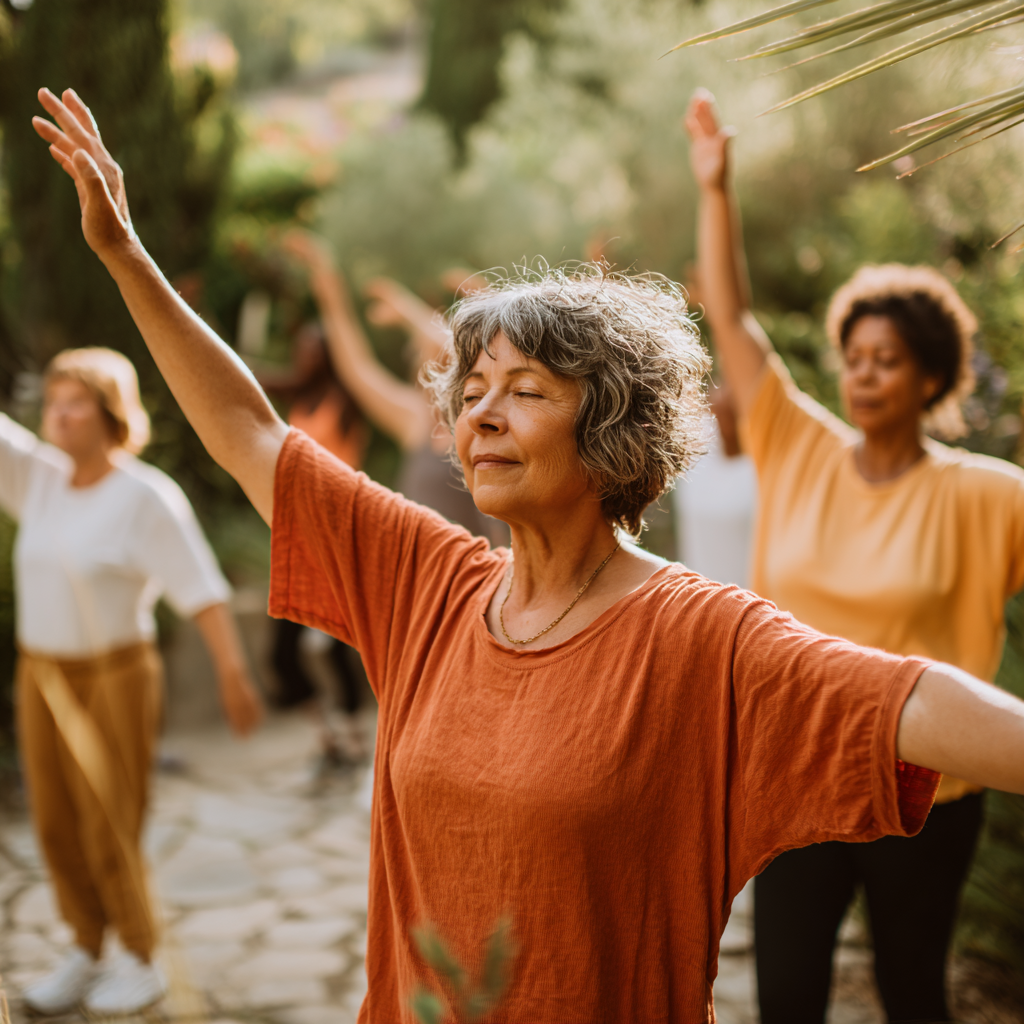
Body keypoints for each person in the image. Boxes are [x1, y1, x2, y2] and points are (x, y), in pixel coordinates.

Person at [32, 87, 1024, 1024]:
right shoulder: (422, 580)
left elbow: (908, 699)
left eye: (525, 391)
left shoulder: (700, 636)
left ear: (610, 426)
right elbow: (251, 433)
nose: (481, 417)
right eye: (472, 394)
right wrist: (125, 256)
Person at [687, 88, 1024, 1023]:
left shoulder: (990, 494)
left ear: (931, 375)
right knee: (786, 998)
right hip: (795, 775)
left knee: (914, 994)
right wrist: (716, 192)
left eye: (887, 358)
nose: (865, 371)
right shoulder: (797, 448)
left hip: (931, 790)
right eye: (855, 354)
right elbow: (735, 320)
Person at [1, 346, 262, 1016]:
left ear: (110, 411)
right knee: (55, 823)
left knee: (109, 821)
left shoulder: (146, 496)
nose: (58, 413)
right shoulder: (37, 479)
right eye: (53, 401)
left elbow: (201, 590)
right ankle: (87, 947)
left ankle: (141, 958)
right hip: (42, 675)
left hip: (114, 676)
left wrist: (234, 675)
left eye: (75, 401)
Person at [281, 231, 507, 544]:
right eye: (417, 354)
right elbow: (356, 367)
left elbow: (455, 348)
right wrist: (327, 281)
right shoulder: (419, 423)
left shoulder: (481, 423)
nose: (420, 357)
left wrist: (407, 311)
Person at [254, 322, 370, 766]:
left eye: (315, 349)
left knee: (340, 643)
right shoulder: (299, 398)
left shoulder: (346, 400)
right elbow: (249, 378)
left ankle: (355, 736)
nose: (306, 356)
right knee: (282, 653)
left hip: (340, 534)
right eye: (300, 348)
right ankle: (326, 735)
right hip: (298, 536)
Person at [674, 381, 757, 588]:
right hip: (700, 600)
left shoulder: (772, 460)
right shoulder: (697, 444)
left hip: (758, 605)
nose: (723, 394)